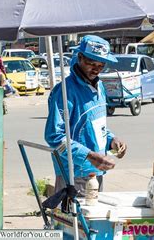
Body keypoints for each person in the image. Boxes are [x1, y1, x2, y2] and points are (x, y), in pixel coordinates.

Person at [45, 35, 127, 197]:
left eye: (101, 65)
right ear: (80, 58)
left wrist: (112, 140)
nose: (96, 69)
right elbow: (54, 137)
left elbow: (91, 125)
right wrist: (89, 156)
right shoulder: (64, 92)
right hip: (73, 174)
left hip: (97, 170)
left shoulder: (100, 86)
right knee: (75, 221)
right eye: (91, 64)